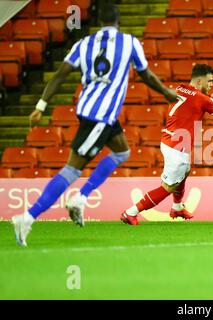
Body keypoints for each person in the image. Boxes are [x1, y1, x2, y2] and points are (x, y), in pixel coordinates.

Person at [11, 4, 179, 246]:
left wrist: (40, 105)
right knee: (71, 170)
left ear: (100, 22)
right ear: (119, 21)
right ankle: (27, 217)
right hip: (100, 117)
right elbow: (147, 75)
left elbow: (60, 74)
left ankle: (80, 198)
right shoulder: (130, 43)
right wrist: (166, 93)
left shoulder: (84, 44)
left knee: (122, 151)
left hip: (95, 114)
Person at [120, 63, 213, 225]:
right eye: (209, 81)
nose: (211, 85)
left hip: (169, 141)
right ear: (199, 81)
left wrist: (209, 99)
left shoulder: (180, 88)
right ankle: (130, 212)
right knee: (168, 187)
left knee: (185, 171)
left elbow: (193, 102)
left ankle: (177, 207)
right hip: (177, 147)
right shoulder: (203, 99)